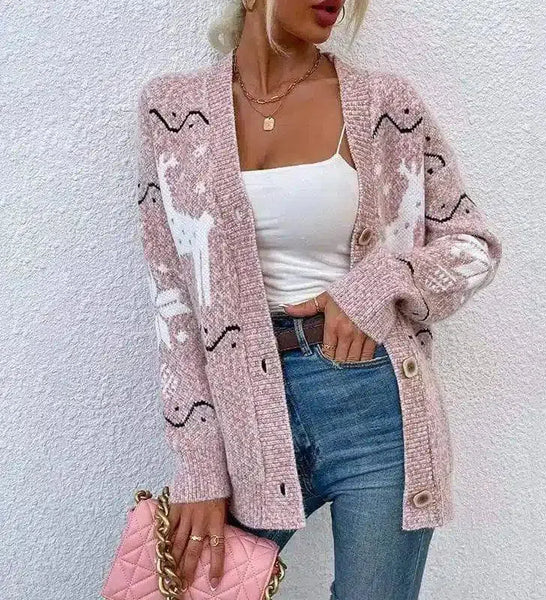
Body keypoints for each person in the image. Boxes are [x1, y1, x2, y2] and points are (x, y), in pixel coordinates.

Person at [134, 1, 503, 598]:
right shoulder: (173, 113)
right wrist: (199, 463)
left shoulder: (387, 105)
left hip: (376, 405)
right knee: (185, 586)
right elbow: (172, 298)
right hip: (246, 411)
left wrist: (376, 286)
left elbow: (473, 244)